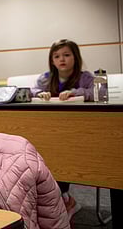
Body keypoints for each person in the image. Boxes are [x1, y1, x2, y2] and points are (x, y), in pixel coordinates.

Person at [31, 38, 92, 220]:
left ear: (75, 57)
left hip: (79, 132)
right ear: (52, 60)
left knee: (66, 158)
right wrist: (39, 94)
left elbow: (93, 93)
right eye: (56, 56)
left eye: (66, 55)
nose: (61, 59)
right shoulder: (45, 78)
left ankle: (65, 200)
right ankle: (60, 199)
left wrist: (76, 92)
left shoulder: (86, 77)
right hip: (51, 131)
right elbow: (31, 91)